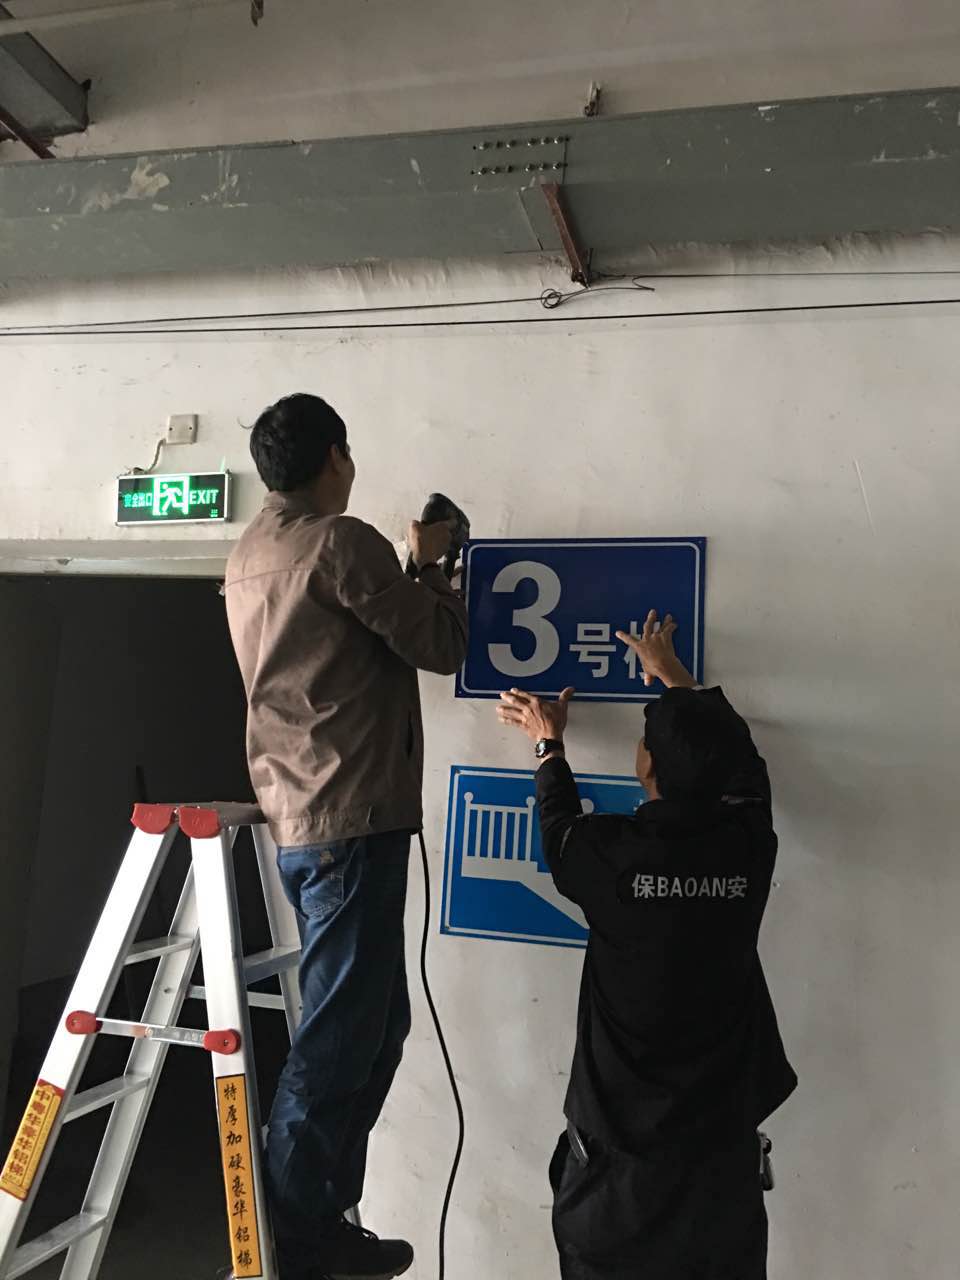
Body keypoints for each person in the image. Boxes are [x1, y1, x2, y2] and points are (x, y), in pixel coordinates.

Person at [224, 393, 468, 1280]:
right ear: (335, 457)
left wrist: (406, 571)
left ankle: (319, 1216)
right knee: (339, 1035)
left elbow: (345, 646)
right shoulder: (339, 541)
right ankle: (297, 1234)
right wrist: (434, 567)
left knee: (376, 1021)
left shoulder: (249, 554)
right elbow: (439, 645)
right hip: (351, 819)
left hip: (301, 818)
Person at [497, 610, 797, 1280]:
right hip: (719, 1174)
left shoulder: (609, 857)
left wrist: (549, 744)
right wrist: (677, 679)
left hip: (616, 1180)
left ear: (645, 765)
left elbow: (558, 825)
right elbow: (744, 770)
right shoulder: (748, 849)